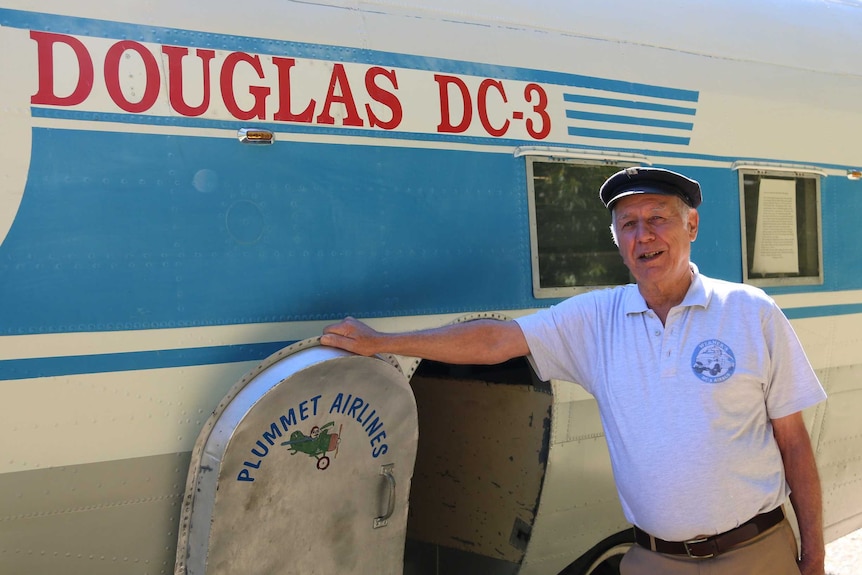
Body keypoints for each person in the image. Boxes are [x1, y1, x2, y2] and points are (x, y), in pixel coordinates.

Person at [320, 167, 826, 575]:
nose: (644, 235)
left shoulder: (750, 311)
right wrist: (382, 343)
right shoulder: (597, 319)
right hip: (654, 559)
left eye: (658, 218)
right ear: (616, 240)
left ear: (691, 226)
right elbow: (497, 339)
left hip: (755, 554)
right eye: (628, 224)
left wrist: (816, 558)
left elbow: (794, 443)